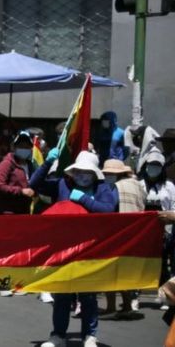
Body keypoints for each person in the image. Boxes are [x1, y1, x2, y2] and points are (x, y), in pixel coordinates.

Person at [31, 150, 118, 347]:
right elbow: (34, 185)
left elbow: (108, 209)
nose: (82, 175)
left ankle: (89, 336)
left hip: (91, 249)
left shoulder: (104, 188)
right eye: (78, 170)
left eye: (87, 172)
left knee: (88, 295)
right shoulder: (63, 184)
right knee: (62, 295)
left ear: (95, 174)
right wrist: (47, 163)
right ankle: (58, 336)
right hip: (65, 248)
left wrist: (84, 200)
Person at [102, 159, 146, 316]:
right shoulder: (137, 185)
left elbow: (110, 207)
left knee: (110, 271)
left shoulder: (116, 187)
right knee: (125, 272)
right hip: (136, 232)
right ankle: (127, 305)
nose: (107, 176)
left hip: (118, 233)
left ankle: (111, 307)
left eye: (109, 173)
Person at [138, 148, 175, 296]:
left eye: (157, 165)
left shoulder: (169, 186)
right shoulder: (138, 184)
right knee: (141, 263)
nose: (153, 168)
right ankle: (135, 294)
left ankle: (165, 294)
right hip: (143, 231)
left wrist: (168, 217)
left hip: (165, 230)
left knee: (163, 263)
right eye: (151, 164)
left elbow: (174, 206)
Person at [0, 131, 37, 215]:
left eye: (26, 147)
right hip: (9, 211)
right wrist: (21, 191)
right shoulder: (7, 163)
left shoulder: (30, 165)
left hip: (25, 210)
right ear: (14, 147)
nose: (24, 149)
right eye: (21, 146)